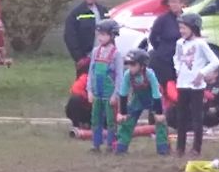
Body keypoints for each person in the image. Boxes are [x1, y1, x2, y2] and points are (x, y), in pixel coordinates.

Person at [172, 13, 219, 157]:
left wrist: (202, 73)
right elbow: (176, 58)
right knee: (181, 117)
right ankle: (180, 147)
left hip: (196, 87)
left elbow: (215, 61)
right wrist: (178, 69)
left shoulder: (200, 44)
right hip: (182, 84)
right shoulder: (179, 43)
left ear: (193, 28)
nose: (181, 31)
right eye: (180, 28)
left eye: (184, 28)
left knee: (197, 117)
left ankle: (196, 148)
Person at [116, 49, 168, 155]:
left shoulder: (150, 74)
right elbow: (123, 93)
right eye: (128, 64)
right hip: (138, 99)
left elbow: (156, 93)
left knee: (160, 122)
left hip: (153, 99)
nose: (130, 67)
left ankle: (162, 148)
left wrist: (159, 113)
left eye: (133, 64)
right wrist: (123, 113)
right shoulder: (127, 75)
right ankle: (121, 147)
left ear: (142, 66)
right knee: (127, 121)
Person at [87, 19, 123, 152]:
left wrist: (115, 94)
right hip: (97, 92)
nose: (100, 37)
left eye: (103, 34)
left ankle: (111, 144)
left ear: (112, 35)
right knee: (95, 118)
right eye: (99, 34)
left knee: (111, 119)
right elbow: (91, 72)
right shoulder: (95, 51)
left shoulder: (116, 54)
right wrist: (89, 90)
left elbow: (119, 76)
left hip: (109, 94)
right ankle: (96, 144)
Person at [63, 0, 108, 66]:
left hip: (103, 57)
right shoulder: (76, 13)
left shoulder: (104, 11)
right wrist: (78, 57)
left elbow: (110, 31)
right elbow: (69, 36)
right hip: (85, 58)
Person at [149, 0, 186, 89]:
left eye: (177, 2)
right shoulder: (162, 19)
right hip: (165, 61)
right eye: (172, 2)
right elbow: (152, 37)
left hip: (182, 61)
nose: (174, 4)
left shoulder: (187, 18)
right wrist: (162, 49)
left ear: (182, 3)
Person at [66, 57, 92, 129]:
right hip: (86, 109)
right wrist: (88, 97)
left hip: (99, 108)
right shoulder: (85, 78)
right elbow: (75, 90)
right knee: (75, 99)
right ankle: (76, 125)